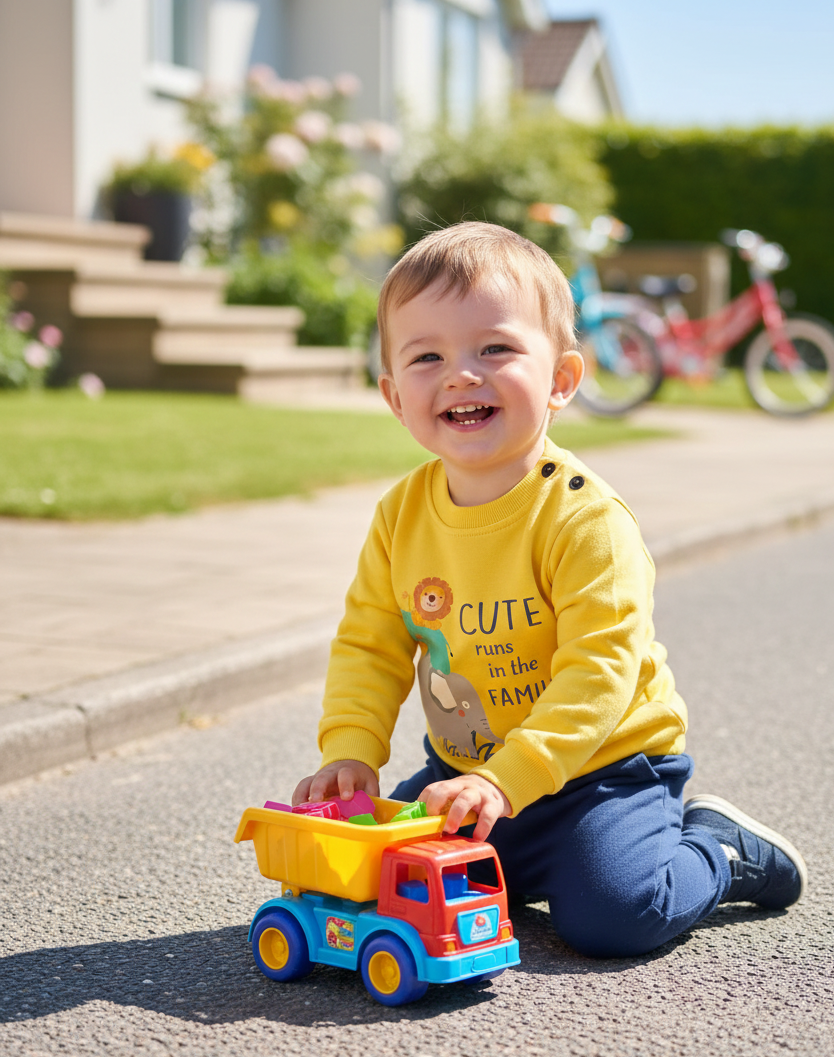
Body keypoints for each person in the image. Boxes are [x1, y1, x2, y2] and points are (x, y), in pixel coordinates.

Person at [292, 221, 806, 958]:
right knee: (368, 882)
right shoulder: (401, 514)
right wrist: (350, 749)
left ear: (563, 379)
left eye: (494, 349)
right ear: (395, 396)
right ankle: (516, 858)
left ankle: (719, 851)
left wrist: (511, 782)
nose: (461, 374)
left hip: (601, 773)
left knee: (612, 917)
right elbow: (370, 643)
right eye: (427, 356)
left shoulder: (583, 517)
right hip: (468, 773)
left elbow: (599, 672)